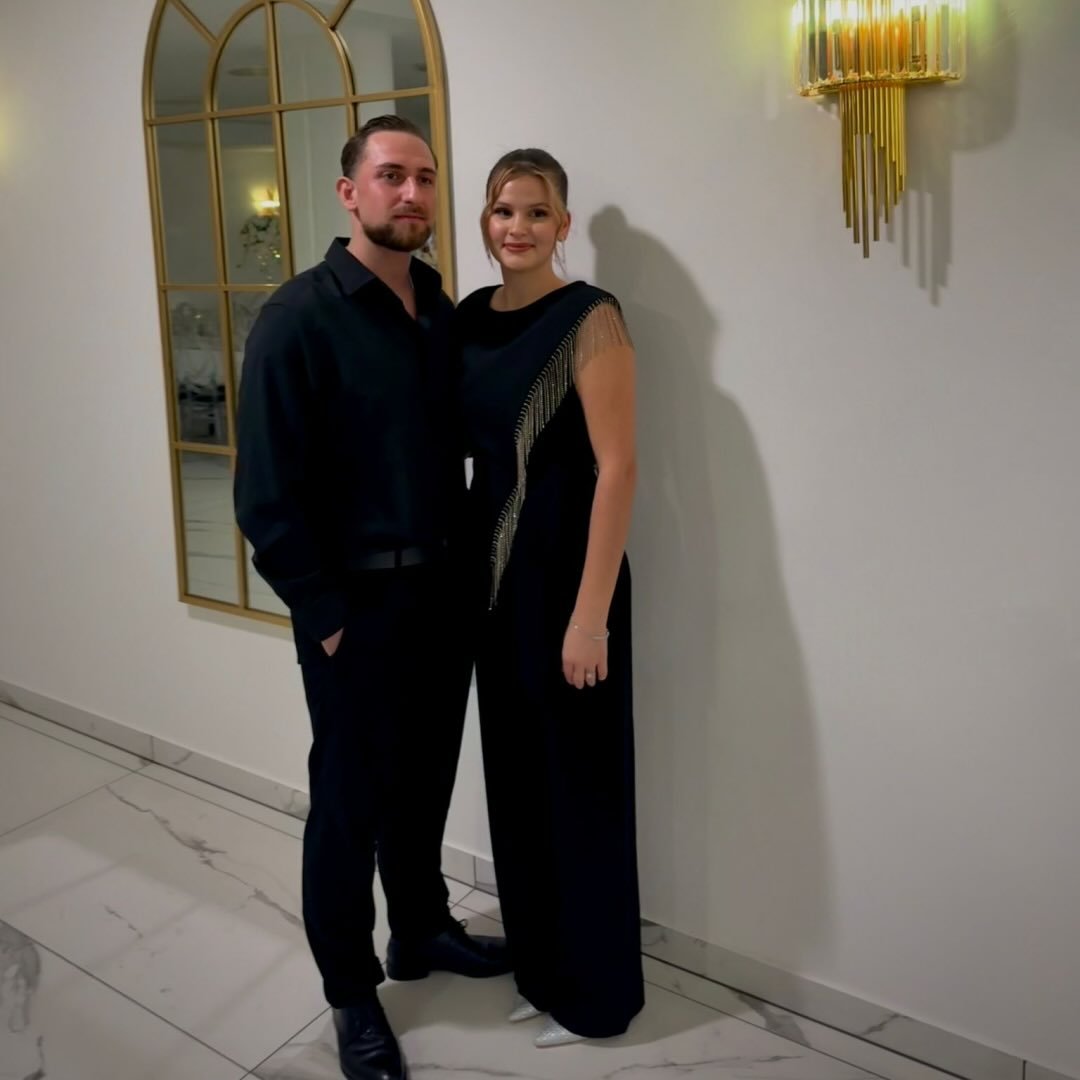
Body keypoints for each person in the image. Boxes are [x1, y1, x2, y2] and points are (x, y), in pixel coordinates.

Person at [234, 115, 510, 1080]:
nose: (412, 193)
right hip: (355, 610)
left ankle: (421, 928)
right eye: (392, 175)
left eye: (425, 178)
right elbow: (263, 494)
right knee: (349, 807)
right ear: (349, 192)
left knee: (425, 782)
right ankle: (351, 993)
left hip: (441, 594)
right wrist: (322, 614)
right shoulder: (298, 318)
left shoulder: (437, 308)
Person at [456, 148, 645, 1047]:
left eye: (537, 212)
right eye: (504, 211)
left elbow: (620, 469)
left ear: (563, 224)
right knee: (518, 785)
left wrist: (589, 617)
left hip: (574, 589)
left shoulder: (591, 317)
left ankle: (596, 997)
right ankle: (539, 967)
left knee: (580, 791)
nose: (518, 228)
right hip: (495, 591)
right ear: (484, 221)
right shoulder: (469, 318)